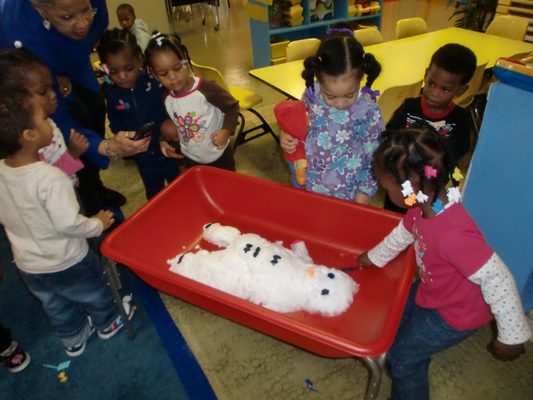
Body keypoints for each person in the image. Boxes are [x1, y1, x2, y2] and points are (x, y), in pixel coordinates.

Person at [357, 127, 531, 400]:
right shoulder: (421, 206)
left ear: (409, 187)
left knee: (401, 359)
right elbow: (403, 234)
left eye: (384, 185)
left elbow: (498, 278)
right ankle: (416, 352)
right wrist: (374, 256)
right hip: (434, 288)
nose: (381, 188)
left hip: (457, 312)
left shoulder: (453, 235)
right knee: (394, 318)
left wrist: (512, 334)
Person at [0, 88, 135, 357]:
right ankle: (108, 322)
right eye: (43, 119)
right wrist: (98, 223)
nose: (50, 122)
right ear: (29, 135)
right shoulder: (51, 178)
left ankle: (73, 337)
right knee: (93, 292)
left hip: (29, 264)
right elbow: (68, 224)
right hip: (66, 259)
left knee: (54, 304)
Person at [0, 0, 150, 214]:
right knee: (73, 121)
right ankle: (89, 197)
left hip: (71, 61)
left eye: (86, 10)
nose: (83, 24)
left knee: (95, 107)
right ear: (39, 8)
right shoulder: (21, 33)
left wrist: (64, 70)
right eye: (67, 17)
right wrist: (106, 147)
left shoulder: (88, 16)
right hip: (30, 70)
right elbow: (55, 116)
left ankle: (95, 183)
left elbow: (97, 25)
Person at [279, 28, 384, 203]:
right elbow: (297, 125)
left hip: (348, 193)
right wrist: (285, 135)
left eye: (349, 95)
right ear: (319, 80)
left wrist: (364, 192)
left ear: (360, 78)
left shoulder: (369, 111)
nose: (340, 103)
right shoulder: (312, 94)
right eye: (331, 96)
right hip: (310, 183)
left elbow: (375, 157)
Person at [384, 43, 477, 212]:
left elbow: (460, 148)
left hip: (431, 187)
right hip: (400, 183)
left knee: (423, 222)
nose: (434, 92)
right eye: (431, 83)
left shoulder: (460, 118)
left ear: (461, 90)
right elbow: (390, 135)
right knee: (392, 218)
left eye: (445, 89)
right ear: (426, 74)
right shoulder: (408, 107)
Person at [97, 28, 180, 200]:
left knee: (180, 187)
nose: (122, 76)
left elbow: (174, 105)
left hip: (168, 148)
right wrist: (124, 138)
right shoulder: (111, 93)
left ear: (139, 60)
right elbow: (114, 121)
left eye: (128, 68)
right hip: (142, 157)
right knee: (154, 194)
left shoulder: (155, 81)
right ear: (105, 68)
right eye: (113, 71)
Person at [145, 33, 239, 171]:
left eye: (177, 67)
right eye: (163, 73)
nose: (172, 77)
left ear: (186, 61)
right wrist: (164, 141)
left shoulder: (205, 88)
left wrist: (226, 130)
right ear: (154, 74)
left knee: (228, 189)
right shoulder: (166, 98)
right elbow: (174, 127)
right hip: (191, 158)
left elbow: (232, 107)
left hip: (219, 155)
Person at [0, 49, 89, 184]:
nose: (53, 94)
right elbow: (46, 181)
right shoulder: (31, 141)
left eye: (51, 87)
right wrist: (72, 154)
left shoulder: (41, 123)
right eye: (43, 92)